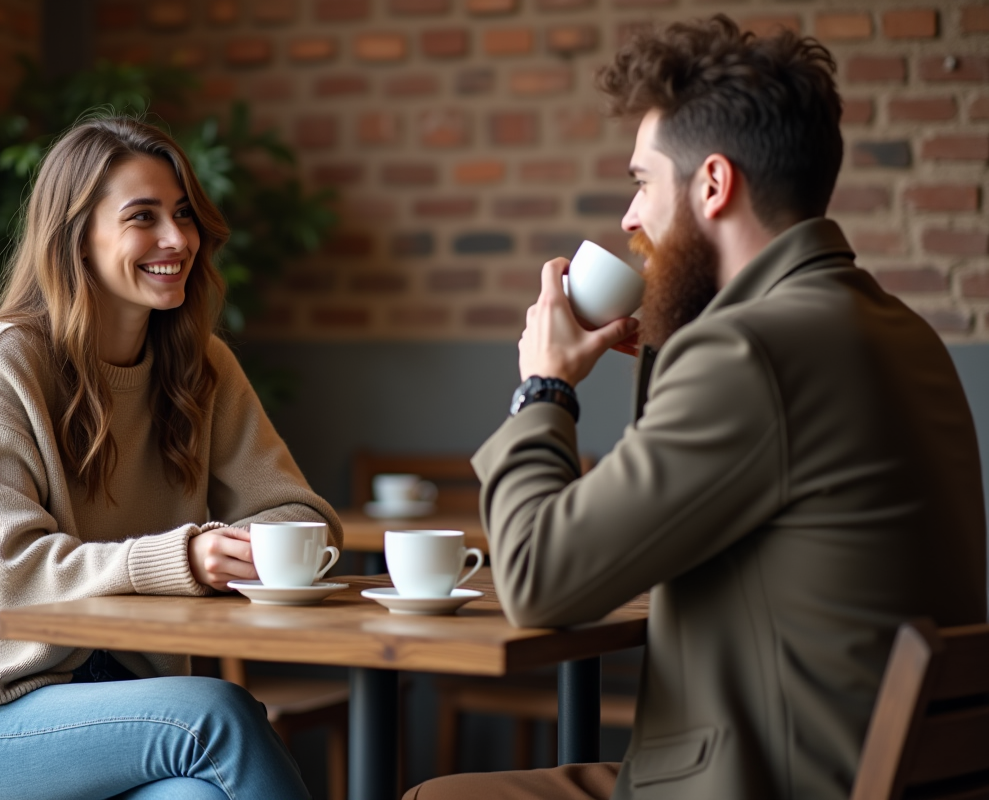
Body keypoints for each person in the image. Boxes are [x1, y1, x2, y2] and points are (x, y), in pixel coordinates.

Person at [405, 15, 985, 800]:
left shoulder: (750, 352)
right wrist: (670, 349)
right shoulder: (895, 330)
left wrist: (544, 387)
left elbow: (538, 579)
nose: (629, 217)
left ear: (713, 184)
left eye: (643, 182)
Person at [0, 116, 342, 800]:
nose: (177, 239)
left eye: (183, 213)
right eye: (143, 217)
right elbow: (12, 576)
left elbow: (300, 515)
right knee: (218, 715)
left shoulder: (203, 365)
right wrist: (181, 559)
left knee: (202, 794)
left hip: (121, 706)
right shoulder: (6, 358)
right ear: (76, 238)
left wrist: (254, 549)